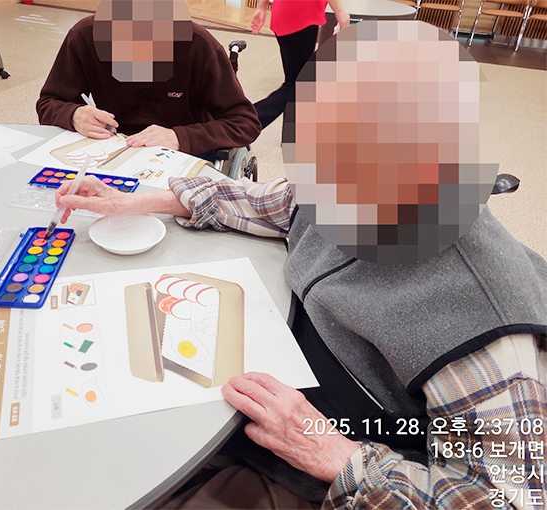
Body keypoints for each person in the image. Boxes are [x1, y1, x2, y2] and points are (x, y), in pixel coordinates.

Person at [54, 21, 547, 509]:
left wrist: (334, 455)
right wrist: (136, 199)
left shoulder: (485, 329)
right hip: (277, 385)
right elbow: (263, 202)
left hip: (328, 467)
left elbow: (509, 499)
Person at [36, 0, 261, 157]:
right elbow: (48, 103)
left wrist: (179, 137)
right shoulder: (85, 36)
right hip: (111, 147)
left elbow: (245, 123)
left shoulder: (200, 45)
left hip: (182, 152)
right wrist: (74, 115)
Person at [250, 0, 350, 130]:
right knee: (296, 87)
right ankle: (244, 122)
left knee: (295, 82)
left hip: (285, 14)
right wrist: (340, 11)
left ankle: (290, 131)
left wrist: (262, 7)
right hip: (302, 17)